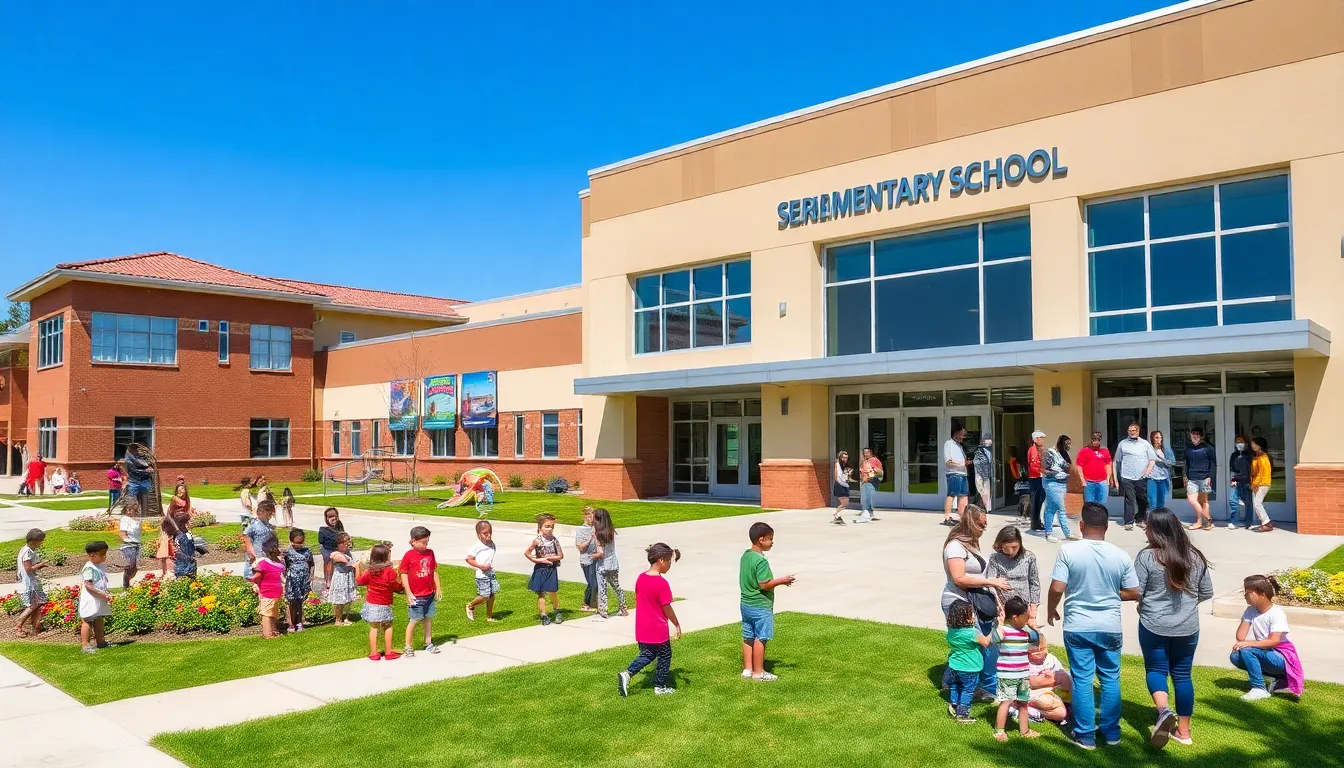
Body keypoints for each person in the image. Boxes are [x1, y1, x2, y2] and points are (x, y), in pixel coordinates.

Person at [1046, 502, 1140, 750]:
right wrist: (1108, 593)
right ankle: (1112, 734)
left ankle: (1085, 735)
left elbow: (1057, 587)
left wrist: (1050, 608)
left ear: (1082, 525)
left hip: (1078, 625)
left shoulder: (1068, 552)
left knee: (1082, 679)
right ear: (1107, 527)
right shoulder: (1120, 555)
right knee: (1110, 679)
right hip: (1109, 626)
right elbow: (1133, 592)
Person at [1136, 508, 1214, 749]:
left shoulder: (1147, 557)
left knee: (1156, 669)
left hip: (1153, 624)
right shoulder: (1195, 556)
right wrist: (1186, 607)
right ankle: (1184, 731)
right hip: (1188, 627)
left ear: (1157, 530)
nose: (1144, 530)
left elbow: (1137, 591)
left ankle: (1163, 711)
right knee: (1182, 675)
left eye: (1147, 526)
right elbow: (1207, 592)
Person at [941, 505, 1010, 699]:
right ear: (970, 523)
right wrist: (991, 582)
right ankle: (978, 686)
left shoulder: (969, 545)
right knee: (978, 644)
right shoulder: (955, 546)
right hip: (959, 602)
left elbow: (979, 575)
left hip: (975, 600)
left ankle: (952, 679)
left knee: (970, 645)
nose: (984, 528)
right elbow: (959, 578)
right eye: (981, 524)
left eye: (985, 524)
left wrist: (994, 596)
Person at [618, 543, 683, 698]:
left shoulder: (641, 578)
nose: (669, 566)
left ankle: (627, 674)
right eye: (668, 562)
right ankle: (660, 686)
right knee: (665, 655)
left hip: (642, 626)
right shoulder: (661, 583)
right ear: (661, 560)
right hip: (657, 628)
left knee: (647, 654)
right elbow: (666, 607)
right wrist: (676, 624)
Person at [1231, 574, 1304, 701]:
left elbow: (1274, 641)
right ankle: (1273, 678)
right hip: (1265, 651)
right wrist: (1247, 618)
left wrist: (1248, 643)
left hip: (1281, 656)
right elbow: (1240, 636)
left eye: (1248, 592)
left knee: (1247, 650)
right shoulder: (1251, 611)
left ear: (1262, 594)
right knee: (1235, 656)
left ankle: (1259, 688)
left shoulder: (1276, 613)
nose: (1245, 596)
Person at [740, 521, 795, 681]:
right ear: (761, 539)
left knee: (748, 635)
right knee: (761, 637)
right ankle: (759, 672)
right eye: (770, 539)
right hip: (760, 605)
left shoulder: (746, 556)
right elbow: (764, 584)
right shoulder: (761, 561)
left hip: (745, 604)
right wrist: (782, 580)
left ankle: (747, 669)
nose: (772, 542)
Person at [991, 596, 1043, 743]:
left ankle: (1024, 730)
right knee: (1006, 701)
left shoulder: (1024, 632)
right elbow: (992, 640)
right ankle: (1000, 731)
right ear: (1015, 617)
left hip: (1023, 674)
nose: (1028, 618)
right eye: (1025, 616)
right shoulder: (1004, 631)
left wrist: (1031, 627)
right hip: (1007, 675)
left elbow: (1035, 642)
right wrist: (999, 625)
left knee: (1023, 703)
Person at [400, 525, 442, 655]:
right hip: (416, 595)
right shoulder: (409, 555)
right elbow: (403, 573)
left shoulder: (430, 553)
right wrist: (408, 593)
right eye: (423, 543)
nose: (425, 545)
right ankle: (408, 646)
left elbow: (433, 571)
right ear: (413, 541)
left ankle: (428, 643)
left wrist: (438, 588)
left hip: (429, 593)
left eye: (427, 542)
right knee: (414, 619)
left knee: (428, 618)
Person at [357, 543, 402, 660]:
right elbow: (395, 586)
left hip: (372, 603)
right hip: (385, 604)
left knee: (374, 627)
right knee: (388, 626)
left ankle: (374, 653)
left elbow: (360, 581)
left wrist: (356, 569)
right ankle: (388, 652)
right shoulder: (390, 572)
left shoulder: (370, 572)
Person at [988, 526, 1041, 627]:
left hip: (1024, 609)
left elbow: (1034, 584)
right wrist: (998, 604)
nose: (1011, 552)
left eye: (1014, 547)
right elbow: (991, 582)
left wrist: (1033, 612)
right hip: (1003, 608)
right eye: (1006, 549)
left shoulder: (1029, 557)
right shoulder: (995, 558)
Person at [944, 600, 985, 724]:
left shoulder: (952, 631)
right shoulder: (972, 633)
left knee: (956, 685)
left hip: (954, 665)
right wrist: (996, 629)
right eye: (971, 614)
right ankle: (962, 714)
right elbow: (986, 642)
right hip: (969, 668)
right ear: (966, 617)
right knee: (968, 689)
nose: (973, 616)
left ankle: (954, 704)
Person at [1112, 422, 1157, 530]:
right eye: (1129, 430)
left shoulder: (1145, 444)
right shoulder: (1122, 444)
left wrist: (1147, 471)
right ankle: (1128, 521)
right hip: (1126, 476)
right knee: (1129, 499)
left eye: (1133, 430)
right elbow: (1116, 461)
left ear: (1138, 431)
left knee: (1143, 499)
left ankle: (1140, 518)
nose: (1131, 432)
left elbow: (1152, 459)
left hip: (1141, 477)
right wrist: (1115, 478)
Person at [525, 513, 564, 625]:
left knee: (552, 591)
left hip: (551, 568)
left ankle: (557, 610)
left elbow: (561, 555)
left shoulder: (554, 540)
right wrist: (537, 560)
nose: (550, 529)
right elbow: (527, 553)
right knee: (541, 593)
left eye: (552, 526)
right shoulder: (537, 541)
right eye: (547, 526)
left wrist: (550, 558)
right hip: (540, 569)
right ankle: (543, 615)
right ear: (540, 528)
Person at [1023, 642, 1072, 726]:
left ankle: (1033, 712)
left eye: (1042, 649)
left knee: (1061, 713)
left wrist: (1051, 677)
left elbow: (1062, 677)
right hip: (1033, 694)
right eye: (1034, 651)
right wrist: (1050, 680)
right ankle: (1024, 710)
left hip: (1051, 692)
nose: (1039, 652)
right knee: (1053, 705)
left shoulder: (1051, 659)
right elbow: (1031, 683)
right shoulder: (1024, 661)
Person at [14, 529, 50, 637]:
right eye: (41, 541)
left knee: (37, 605)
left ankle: (37, 628)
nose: (42, 543)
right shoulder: (27, 552)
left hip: (31, 582)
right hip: (29, 584)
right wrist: (41, 564)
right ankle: (18, 626)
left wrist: (40, 565)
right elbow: (28, 569)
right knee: (33, 605)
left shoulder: (27, 550)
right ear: (34, 541)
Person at [78, 541, 112, 654]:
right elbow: (88, 585)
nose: (104, 557)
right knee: (87, 620)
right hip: (91, 598)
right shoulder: (89, 568)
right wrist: (103, 594)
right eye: (102, 554)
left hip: (99, 597)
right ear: (92, 555)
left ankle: (101, 641)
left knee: (99, 618)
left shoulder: (98, 566)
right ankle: (85, 645)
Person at [593, 507, 627, 619]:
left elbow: (600, 553)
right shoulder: (611, 530)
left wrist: (592, 556)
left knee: (602, 588)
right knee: (616, 586)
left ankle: (603, 611)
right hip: (613, 563)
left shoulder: (598, 534)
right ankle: (623, 607)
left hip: (602, 565)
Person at [246, 535, 283, 637]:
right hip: (277, 590)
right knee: (273, 612)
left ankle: (267, 634)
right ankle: (274, 629)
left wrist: (251, 579)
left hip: (266, 592)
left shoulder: (262, 563)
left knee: (266, 614)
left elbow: (257, 577)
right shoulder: (279, 563)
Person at [1041, 435, 1075, 543]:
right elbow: (1043, 469)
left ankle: (1058, 532)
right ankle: (1055, 533)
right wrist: (1056, 473)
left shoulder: (1065, 455)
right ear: (1061, 443)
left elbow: (1068, 467)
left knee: (1054, 508)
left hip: (1062, 484)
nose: (1068, 446)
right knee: (1058, 508)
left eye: (1069, 444)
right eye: (1066, 443)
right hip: (1052, 483)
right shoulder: (1051, 453)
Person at [466, 520, 500, 622]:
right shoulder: (476, 546)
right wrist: (481, 566)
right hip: (482, 575)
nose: (488, 535)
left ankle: (489, 617)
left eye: (490, 533)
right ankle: (470, 606)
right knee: (484, 595)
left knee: (492, 595)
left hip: (490, 573)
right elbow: (469, 559)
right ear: (478, 535)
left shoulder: (492, 544)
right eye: (485, 534)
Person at [1184, 428, 1217, 531]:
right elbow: (1185, 463)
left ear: (1201, 436)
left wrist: (1211, 476)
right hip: (1192, 478)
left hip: (1204, 478)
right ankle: (1207, 519)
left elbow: (1213, 463)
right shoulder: (1188, 448)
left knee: (1204, 501)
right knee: (1192, 500)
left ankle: (1200, 522)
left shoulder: (1208, 448)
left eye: (1197, 435)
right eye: (1192, 435)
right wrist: (1185, 476)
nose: (1194, 437)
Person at [283, 528, 315, 633]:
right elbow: (285, 566)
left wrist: (311, 577)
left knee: (300, 602)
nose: (299, 545)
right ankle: (291, 623)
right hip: (292, 581)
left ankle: (300, 622)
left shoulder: (307, 552)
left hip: (303, 581)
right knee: (291, 602)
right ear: (291, 541)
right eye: (296, 543)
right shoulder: (288, 553)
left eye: (301, 543)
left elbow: (311, 565)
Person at [325, 532, 357, 626]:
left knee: (348, 598)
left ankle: (346, 618)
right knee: (340, 599)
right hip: (341, 578)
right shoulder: (335, 554)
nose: (348, 545)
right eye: (345, 543)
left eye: (348, 542)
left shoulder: (347, 553)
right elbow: (347, 562)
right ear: (339, 544)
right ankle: (338, 619)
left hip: (348, 577)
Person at [1075, 432, 1113, 506]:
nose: (1096, 442)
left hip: (1102, 482)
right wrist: (1082, 480)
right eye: (1094, 440)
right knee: (1090, 505)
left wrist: (1108, 479)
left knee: (1102, 504)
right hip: (1089, 482)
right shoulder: (1084, 451)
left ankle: (1101, 517)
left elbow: (1108, 465)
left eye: (1098, 440)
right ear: (1091, 440)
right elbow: (1079, 466)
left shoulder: (1104, 451)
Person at [243, 498, 277, 579]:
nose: (270, 515)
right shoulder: (253, 525)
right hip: (256, 558)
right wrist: (254, 556)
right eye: (269, 513)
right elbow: (247, 540)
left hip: (267, 557)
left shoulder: (269, 526)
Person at [943, 426, 971, 525]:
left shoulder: (960, 446)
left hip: (963, 473)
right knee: (951, 494)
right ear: (955, 433)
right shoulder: (948, 444)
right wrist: (962, 463)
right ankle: (947, 517)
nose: (963, 437)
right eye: (961, 434)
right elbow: (948, 461)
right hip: (954, 473)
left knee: (964, 495)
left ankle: (962, 517)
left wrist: (966, 463)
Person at [575, 506, 599, 610]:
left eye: (593, 517)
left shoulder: (596, 527)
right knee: (592, 583)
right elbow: (580, 547)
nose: (591, 519)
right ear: (585, 517)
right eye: (589, 516)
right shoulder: (581, 530)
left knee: (596, 583)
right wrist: (590, 538)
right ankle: (586, 603)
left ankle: (594, 604)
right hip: (586, 560)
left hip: (597, 559)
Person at [1228, 436, 1254, 531]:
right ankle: (1233, 522)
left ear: (1245, 443)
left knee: (1248, 503)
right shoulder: (1233, 455)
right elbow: (1231, 469)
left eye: (1241, 442)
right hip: (1236, 481)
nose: (1239, 443)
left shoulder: (1249, 455)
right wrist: (1232, 479)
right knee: (1233, 501)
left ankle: (1249, 523)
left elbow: (1252, 469)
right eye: (1237, 442)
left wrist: (1252, 481)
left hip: (1247, 481)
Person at [117, 497, 143, 589]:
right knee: (130, 565)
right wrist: (128, 540)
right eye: (134, 509)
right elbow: (122, 533)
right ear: (128, 510)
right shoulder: (125, 519)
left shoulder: (137, 520)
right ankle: (126, 586)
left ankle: (128, 581)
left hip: (137, 544)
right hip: (128, 545)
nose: (136, 511)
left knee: (136, 567)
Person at [1249, 437, 1274, 532]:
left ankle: (1266, 523)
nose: (1252, 446)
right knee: (1257, 503)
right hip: (1259, 483)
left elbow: (1262, 472)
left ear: (1259, 445)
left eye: (1253, 444)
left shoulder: (1263, 457)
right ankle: (1265, 522)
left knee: (1257, 503)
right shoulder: (1258, 456)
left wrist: (1255, 484)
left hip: (1262, 483)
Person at [318, 507, 345, 589]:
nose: (333, 519)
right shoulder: (323, 529)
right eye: (330, 517)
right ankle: (327, 580)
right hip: (327, 550)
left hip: (337, 550)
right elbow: (320, 541)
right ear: (326, 519)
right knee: (328, 562)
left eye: (334, 516)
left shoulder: (340, 528)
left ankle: (337, 580)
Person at [1148, 431, 1176, 510]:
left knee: (1161, 501)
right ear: (1152, 439)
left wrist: (1161, 460)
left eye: (1160, 437)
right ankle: (1152, 519)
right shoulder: (1149, 449)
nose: (1159, 439)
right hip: (1152, 478)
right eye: (1157, 437)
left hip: (1163, 478)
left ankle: (1159, 519)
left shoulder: (1166, 449)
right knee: (1152, 500)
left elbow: (1172, 462)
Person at [122, 446, 154, 516]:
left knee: (144, 499)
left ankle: (144, 515)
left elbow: (148, 465)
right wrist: (146, 470)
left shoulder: (140, 457)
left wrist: (148, 468)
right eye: (134, 449)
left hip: (144, 482)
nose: (136, 451)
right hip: (134, 482)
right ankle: (131, 515)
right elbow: (134, 470)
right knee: (131, 500)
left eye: (136, 449)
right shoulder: (128, 459)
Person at [855, 447, 883, 524]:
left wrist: (868, 477)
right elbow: (862, 471)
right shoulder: (864, 461)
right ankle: (869, 514)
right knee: (865, 498)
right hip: (864, 482)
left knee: (868, 498)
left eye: (867, 452)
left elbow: (878, 472)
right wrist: (862, 478)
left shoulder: (874, 460)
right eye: (864, 452)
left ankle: (867, 514)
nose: (865, 454)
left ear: (870, 452)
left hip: (871, 482)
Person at [1026, 432, 1046, 531]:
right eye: (1040, 438)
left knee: (1039, 501)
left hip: (1038, 477)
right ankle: (1035, 523)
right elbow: (1033, 465)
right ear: (1035, 439)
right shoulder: (1033, 450)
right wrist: (1043, 472)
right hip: (1036, 478)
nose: (1042, 440)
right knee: (1036, 501)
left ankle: (1037, 522)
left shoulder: (1038, 449)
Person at [973, 434, 994, 512]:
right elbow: (976, 462)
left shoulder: (991, 451)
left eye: (989, 439)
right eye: (986, 439)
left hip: (987, 475)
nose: (988, 441)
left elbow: (991, 463)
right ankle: (982, 506)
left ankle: (987, 508)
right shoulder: (979, 450)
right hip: (980, 474)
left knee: (986, 492)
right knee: (981, 491)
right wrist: (980, 473)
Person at [172, 513, 198, 579]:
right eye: (189, 520)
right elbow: (188, 550)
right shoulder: (185, 536)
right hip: (187, 567)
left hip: (178, 565)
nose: (190, 522)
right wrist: (192, 559)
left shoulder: (177, 534)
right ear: (185, 523)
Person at [155, 508, 178, 578]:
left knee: (164, 558)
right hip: (166, 541)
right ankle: (166, 572)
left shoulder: (165, 521)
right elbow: (176, 530)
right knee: (167, 557)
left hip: (164, 540)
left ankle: (165, 572)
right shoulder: (170, 521)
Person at [832, 451, 852, 525]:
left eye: (846, 457)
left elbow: (847, 477)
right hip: (840, 485)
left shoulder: (846, 466)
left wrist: (849, 476)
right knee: (845, 503)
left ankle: (837, 516)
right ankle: (836, 515)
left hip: (845, 485)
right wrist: (840, 484)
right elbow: (836, 476)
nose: (845, 459)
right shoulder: (837, 464)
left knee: (845, 503)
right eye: (843, 457)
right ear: (840, 458)